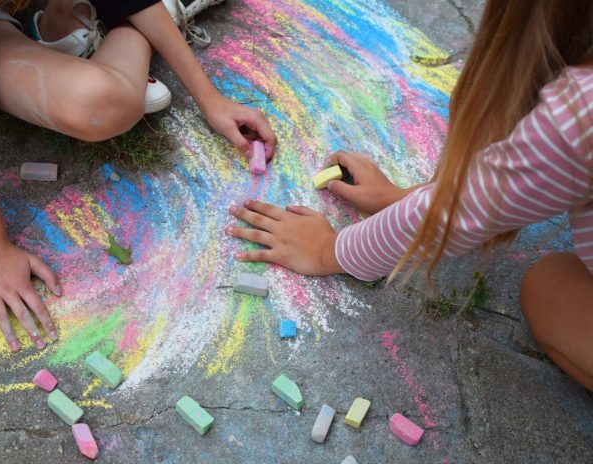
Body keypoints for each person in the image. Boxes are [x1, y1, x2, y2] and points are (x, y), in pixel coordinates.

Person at [226, 0, 593, 390]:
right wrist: (397, 196)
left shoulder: (577, 115)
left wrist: (328, 250)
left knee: (547, 290)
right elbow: (494, 182)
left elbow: (456, 214)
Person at [0, 0, 277, 352]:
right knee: (101, 103)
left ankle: (68, 16)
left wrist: (209, 98)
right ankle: (129, 22)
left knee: (104, 93)